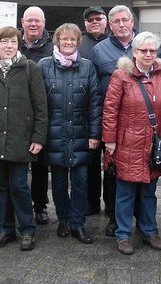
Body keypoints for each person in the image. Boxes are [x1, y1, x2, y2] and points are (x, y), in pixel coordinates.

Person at [0, 26, 47, 251]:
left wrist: (38, 138)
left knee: (19, 186)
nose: (8, 46)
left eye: (13, 42)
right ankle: (5, 229)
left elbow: (41, 108)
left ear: (18, 44)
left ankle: (27, 230)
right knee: (1, 186)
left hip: (20, 140)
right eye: (4, 42)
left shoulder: (30, 69)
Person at [103, 32, 161, 255]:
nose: (148, 54)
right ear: (134, 52)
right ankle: (123, 234)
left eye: (152, 50)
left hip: (153, 145)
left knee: (148, 192)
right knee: (125, 193)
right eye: (143, 50)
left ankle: (149, 230)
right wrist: (110, 140)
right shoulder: (120, 75)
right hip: (127, 143)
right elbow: (110, 110)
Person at [39, 23, 102, 244]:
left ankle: (78, 223)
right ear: (57, 40)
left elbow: (95, 104)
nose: (68, 42)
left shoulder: (87, 67)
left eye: (72, 39)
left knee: (81, 181)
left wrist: (95, 135)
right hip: (54, 134)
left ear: (78, 42)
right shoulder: (44, 66)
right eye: (64, 39)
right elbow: (39, 105)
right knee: (57, 182)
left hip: (81, 134)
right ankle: (63, 220)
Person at [89, 5, 136, 236]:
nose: (121, 24)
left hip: (139, 121)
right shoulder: (99, 50)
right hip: (112, 120)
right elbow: (95, 91)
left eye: (125, 20)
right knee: (111, 167)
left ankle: (137, 212)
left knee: (138, 167)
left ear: (132, 22)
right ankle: (112, 214)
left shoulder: (145, 46)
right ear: (110, 24)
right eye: (116, 21)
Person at [20, 6, 54, 226]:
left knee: (40, 165)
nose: (33, 24)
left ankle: (40, 206)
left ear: (44, 22)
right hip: (16, 114)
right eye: (29, 20)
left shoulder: (53, 47)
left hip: (43, 112)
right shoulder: (12, 43)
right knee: (15, 165)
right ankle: (14, 204)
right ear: (22, 21)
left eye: (37, 21)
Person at [78, 5, 108, 216]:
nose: (94, 22)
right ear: (85, 24)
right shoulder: (80, 44)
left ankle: (111, 201)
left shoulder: (114, 42)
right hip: (87, 111)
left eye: (98, 18)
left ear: (106, 20)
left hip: (112, 111)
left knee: (112, 160)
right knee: (90, 159)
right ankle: (92, 201)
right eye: (90, 20)